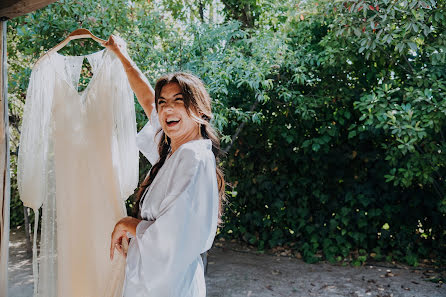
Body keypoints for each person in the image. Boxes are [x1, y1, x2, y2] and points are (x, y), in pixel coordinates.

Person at [104, 35, 225, 296]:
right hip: (149, 276)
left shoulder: (193, 157)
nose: (167, 109)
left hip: (168, 284)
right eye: (164, 103)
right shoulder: (174, 150)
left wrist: (129, 224)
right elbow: (147, 99)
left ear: (200, 112)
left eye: (178, 101)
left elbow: (174, 234)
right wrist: (121, 54)